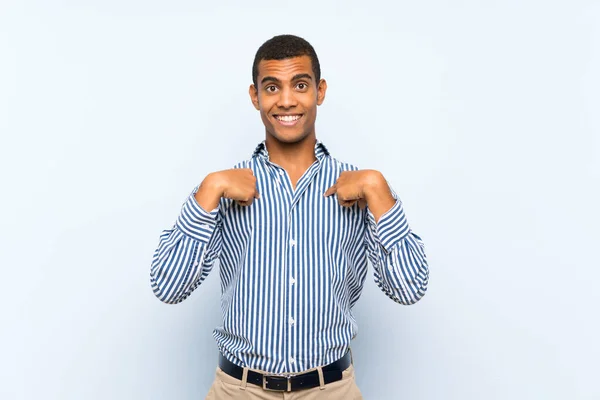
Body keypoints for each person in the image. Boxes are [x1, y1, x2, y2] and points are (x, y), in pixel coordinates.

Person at [150, 34, 429, 399]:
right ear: (255, 97)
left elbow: (409, 289)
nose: (285, 100)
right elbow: (168, 287)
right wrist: (208, 189)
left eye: (300, 85)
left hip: (331, 390)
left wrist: (379, 191)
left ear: (320, 91)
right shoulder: (225, 188)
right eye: (271, 87)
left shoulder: (361, 188)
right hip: (239, 390)